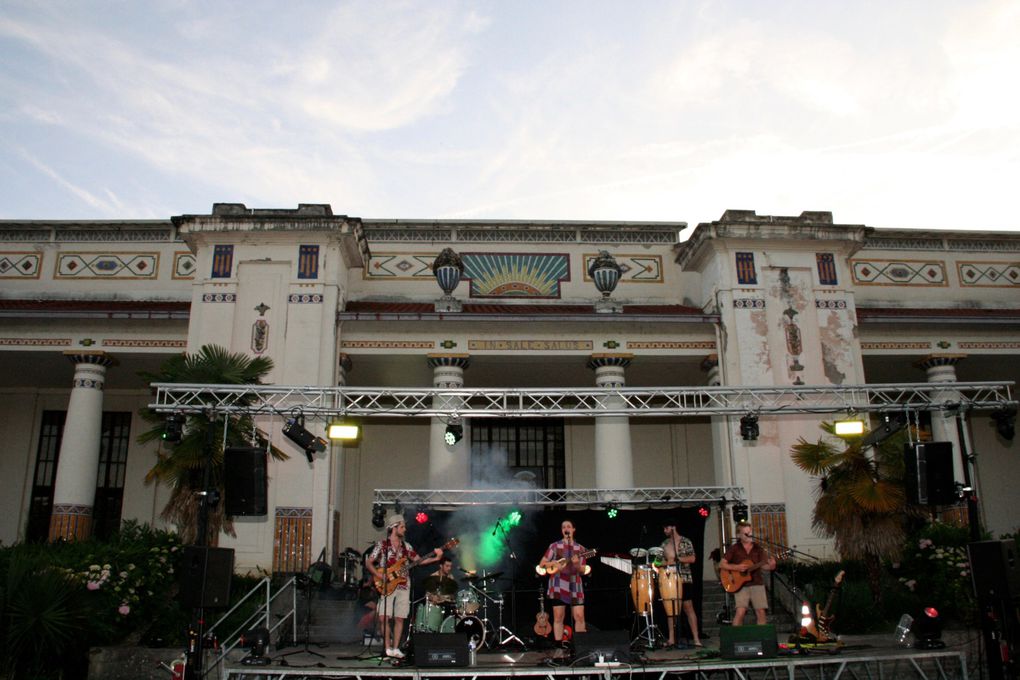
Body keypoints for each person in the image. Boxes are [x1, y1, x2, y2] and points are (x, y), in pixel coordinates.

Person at [366, 514, 443, 659]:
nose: (405, 529)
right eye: (402, 527)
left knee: (400, 618)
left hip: (403, 585)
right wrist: (378, 574)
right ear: (394, 528)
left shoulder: (407, 547)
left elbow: (419, 561)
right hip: (386, 583)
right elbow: (369, 562)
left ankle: (396, 649)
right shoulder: (382, 545)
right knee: (384, 617)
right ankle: (387, 648)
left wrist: (436, 558)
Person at [538, 519, 588, 644]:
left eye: (568, 526)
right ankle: (559, 647)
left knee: (579, 616)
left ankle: (580, 646)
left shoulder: (580, 548)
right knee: (558, 617)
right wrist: (554, 563)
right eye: (563, 527)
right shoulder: (554, 546)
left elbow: (582, 570)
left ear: (573, 529)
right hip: (557, 584)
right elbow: (542, 564)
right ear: (562, 530)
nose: (566, 529)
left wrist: (576, 565)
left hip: (575, 584)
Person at [720, 520, 776, 625]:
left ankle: (762, 638)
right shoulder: (734, 548)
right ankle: (737, 639)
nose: (749, 535)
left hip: (757, 583)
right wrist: (737, 567)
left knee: (761, 611)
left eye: (750, 532)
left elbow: (764, 565)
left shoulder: (758, 548)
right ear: (738, 535)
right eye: (746, 533)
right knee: (740, 611)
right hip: (740, 585)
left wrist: (771, 566)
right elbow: (722, 564)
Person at [660, 522, 702, 648]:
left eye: (666, 528)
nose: (665, 531)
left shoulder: (685, 541)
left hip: (684, 578)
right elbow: (658, 561)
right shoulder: (664, 544)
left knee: (688, 607)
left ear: (673, 527)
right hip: (669, 579)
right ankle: (671, 639)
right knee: (670, 609)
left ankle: (696, 638)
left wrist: (678, 559)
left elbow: (693, 558)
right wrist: (666, 562)